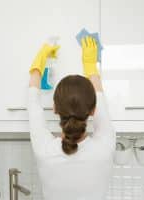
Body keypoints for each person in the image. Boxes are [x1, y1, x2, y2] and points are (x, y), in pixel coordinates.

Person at [28, 36, 115, 200]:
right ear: (93, 110)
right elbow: (100, 101)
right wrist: (90, 67)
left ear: (54, 108)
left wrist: (39, 61)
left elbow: (32, 102)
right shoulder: (105, 147)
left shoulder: (44, 150)